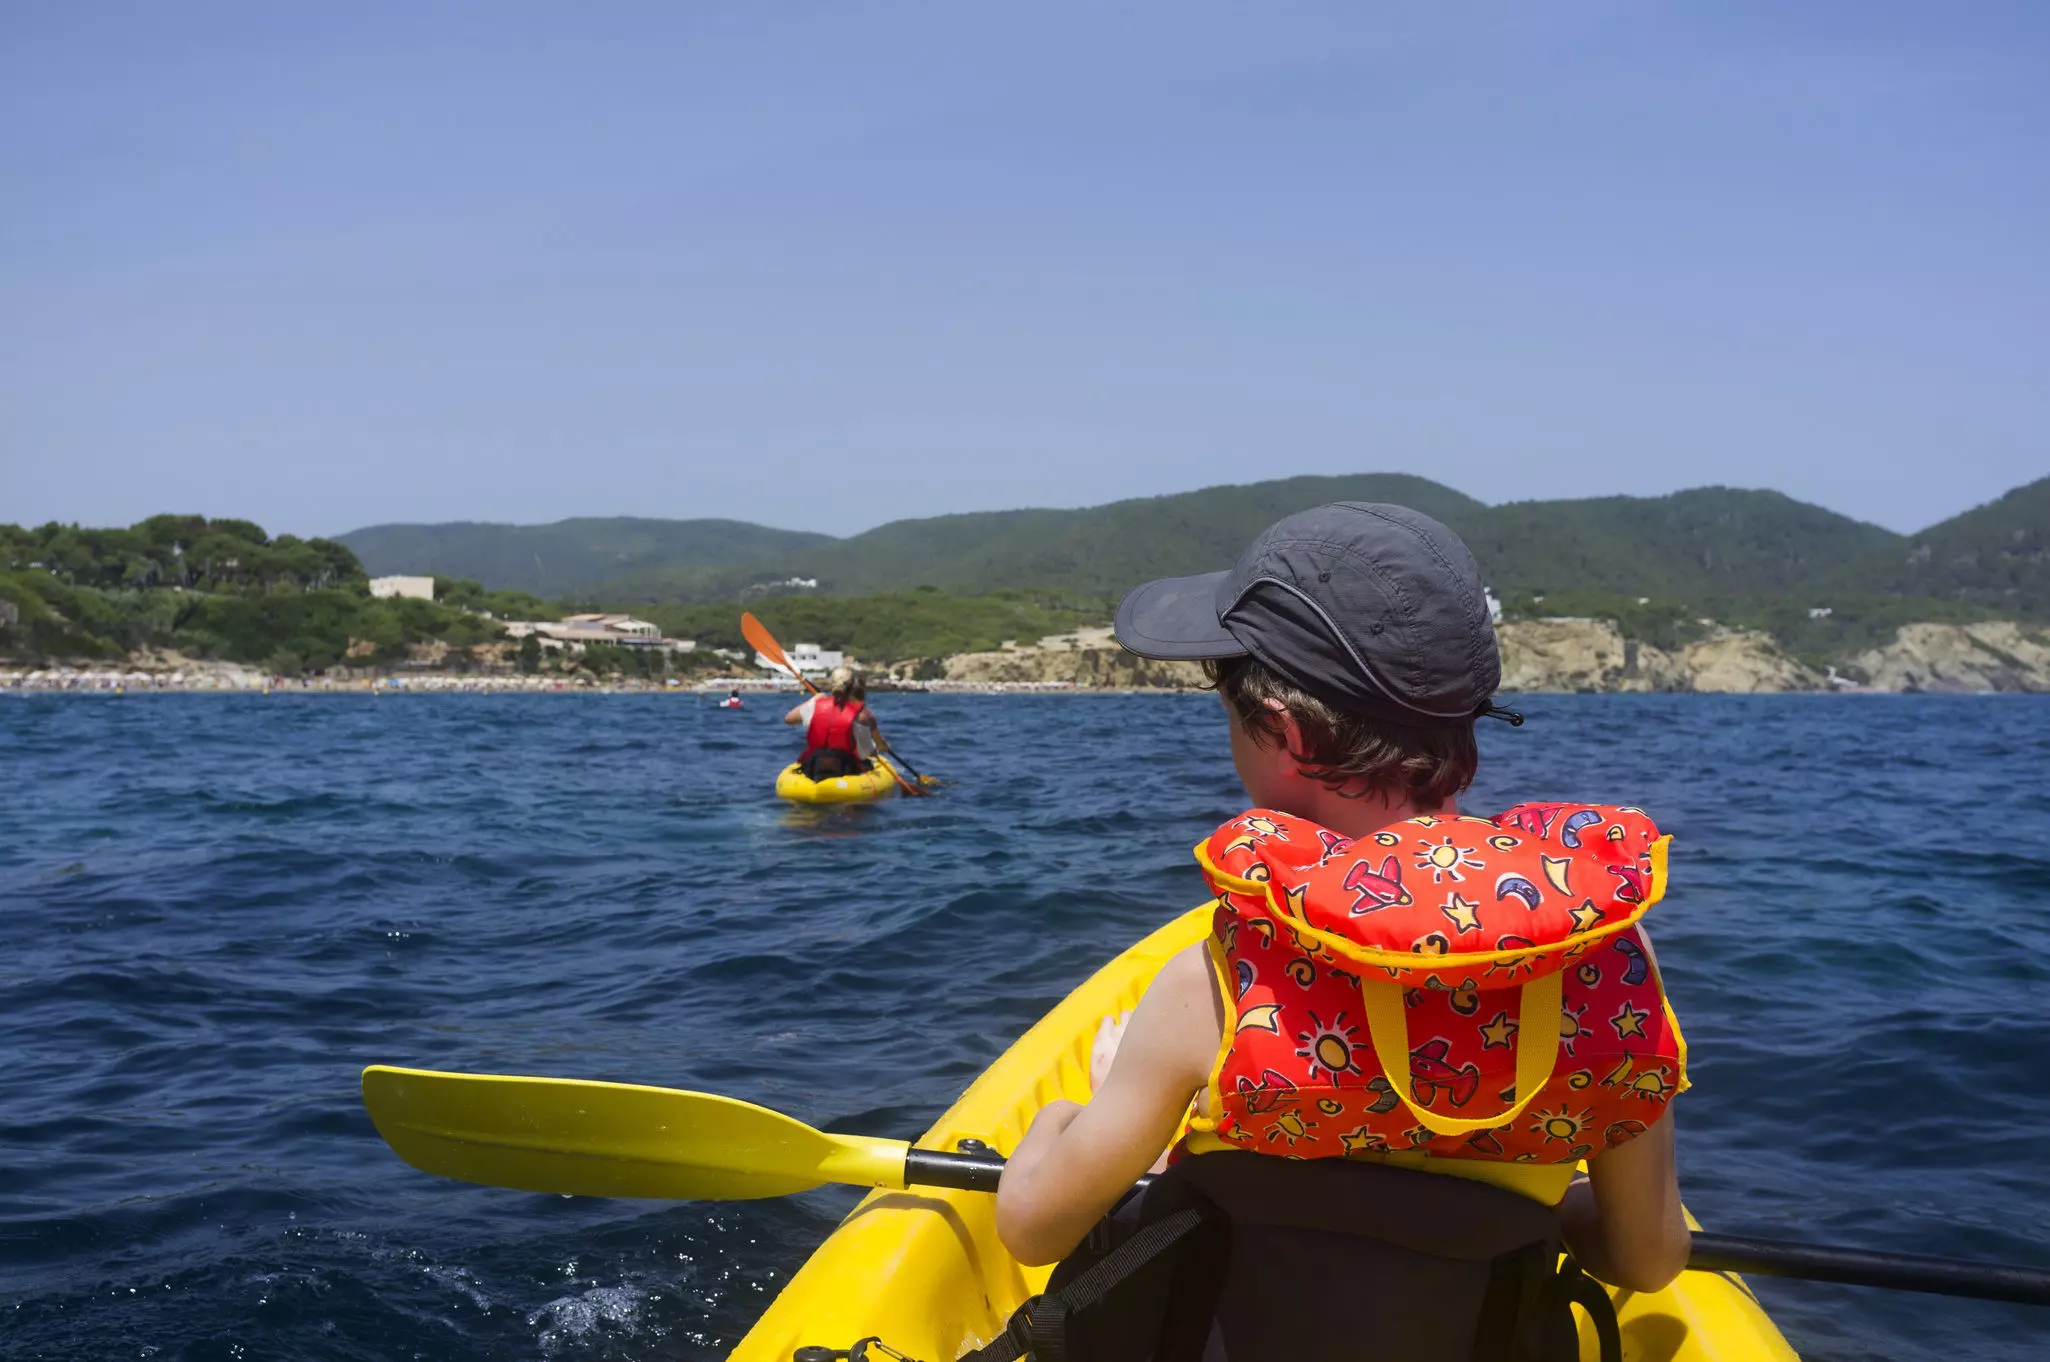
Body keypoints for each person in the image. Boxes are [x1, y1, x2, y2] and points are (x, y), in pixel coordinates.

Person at [989, 504, 1690, 1361]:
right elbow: (1648, 1258)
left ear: (1282, 732)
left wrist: (1076, 1110)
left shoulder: (1218, 980)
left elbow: (1030, 1227)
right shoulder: (1605, 960)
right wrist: (1539, 1205)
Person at [784, 666, 881, 779]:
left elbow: (788, 719)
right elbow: (866, 752)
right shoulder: (861, 715)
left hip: (813, 766)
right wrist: (877, 750)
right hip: (845, 768)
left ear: (831, 684)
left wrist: (813, 700)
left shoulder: (815, 705)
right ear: (854, 687)